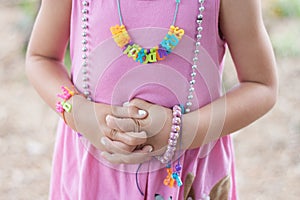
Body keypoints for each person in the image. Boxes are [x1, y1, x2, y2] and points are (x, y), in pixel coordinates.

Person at [25, 0, 277, 199]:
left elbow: (261, 85)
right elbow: (41, 58)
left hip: (186, 178)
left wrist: (182, 132)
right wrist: (79, 113)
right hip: (93, 176)